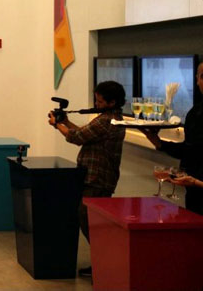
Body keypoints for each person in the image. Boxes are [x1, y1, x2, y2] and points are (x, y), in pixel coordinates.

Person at [47, 80, 126, 277]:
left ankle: (106, 264)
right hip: (96, 178)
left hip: (98, 179)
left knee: (90, 222)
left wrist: (57, 124)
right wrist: (65, 122)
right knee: (91, 222)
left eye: (100, 101)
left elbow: (76, 138)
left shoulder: (107, 120)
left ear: (112, 102)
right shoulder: (110, 118)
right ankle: (102, 262)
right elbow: (84, 134)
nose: (96, 104)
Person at [141, 61, 203, 214]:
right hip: (194, 194)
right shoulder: (195, 112)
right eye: (202, 77)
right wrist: (158, 143)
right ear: (197, 80)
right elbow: (189, 149)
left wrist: (197, 182)